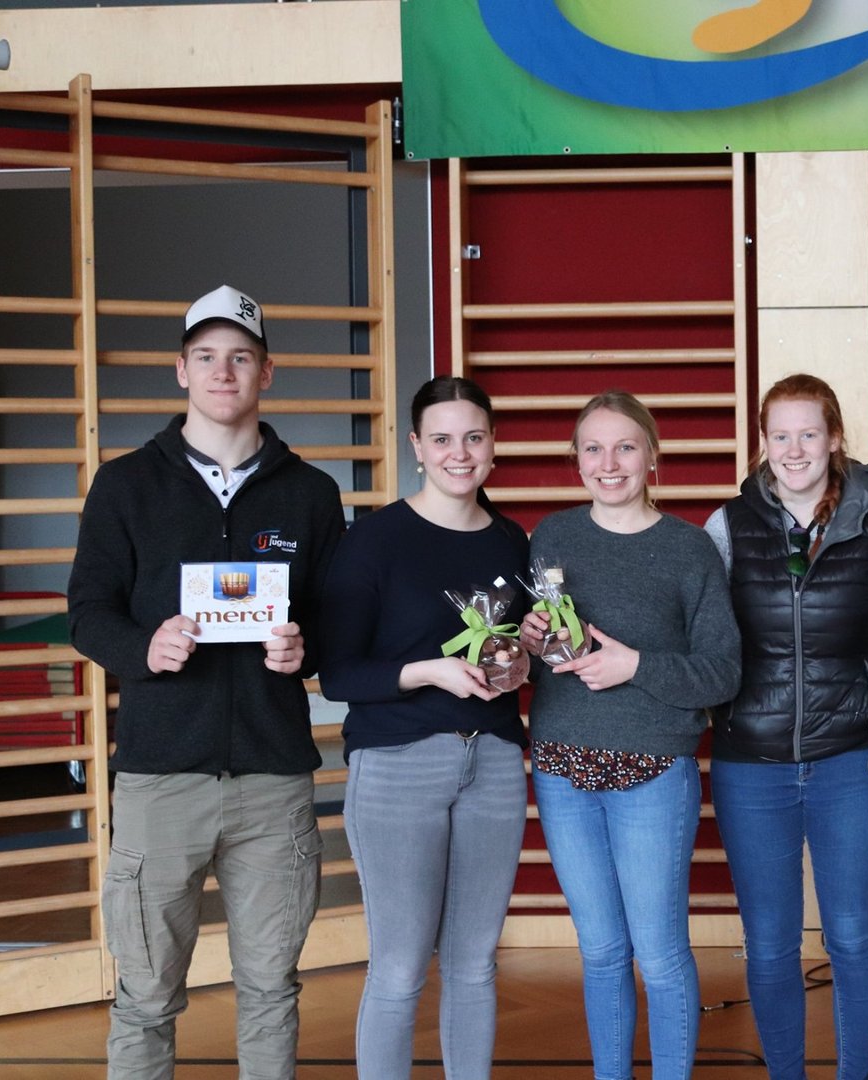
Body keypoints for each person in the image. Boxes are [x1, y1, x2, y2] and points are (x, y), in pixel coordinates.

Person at [67, 285, 346, 1079]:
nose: (224, 372)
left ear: (267, 372)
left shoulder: (311, 494)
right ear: (181, 370)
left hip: (273, 783)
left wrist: (305, 648)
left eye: (241, 357)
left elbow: (333, 623)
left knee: (270, 990)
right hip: (159, 782)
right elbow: (87, 613)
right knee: (145, 998)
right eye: (207, 357)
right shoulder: (124, 486)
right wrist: (143, 646)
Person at [519, 390, 741, 1080]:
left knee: (661, 954)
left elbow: (723, 673)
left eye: (624, 447)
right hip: (562, 768)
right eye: (593, 448)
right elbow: (545, 655)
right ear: (576, 459)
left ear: (652, 456)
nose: (608, 463)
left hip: (653, 772)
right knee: (601, 952)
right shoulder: (551, 537)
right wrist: (530, 641)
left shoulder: (688, 548)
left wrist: (635, 664)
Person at [317, 376, 531, 1079]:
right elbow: (338, 675)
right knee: (401, 967)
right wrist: (429, 671)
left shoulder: (512, 541)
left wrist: (520, 663)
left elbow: (508, 653)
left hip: (493, 764)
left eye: (473, 437)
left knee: (474, 964)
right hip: (397, 765)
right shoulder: (373, 541)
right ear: (416, 446)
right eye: (441, 439)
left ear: (493, 445)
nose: (458, 453)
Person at [703, 374, 868, 1080]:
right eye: (779, 435)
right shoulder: (726, 526)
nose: (793, 449)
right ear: (762, 441)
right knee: (769, 944)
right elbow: (700, 641)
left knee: (852, 935)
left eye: (808, 433)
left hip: (853, 759)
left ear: (835, 438)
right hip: (749, 764)